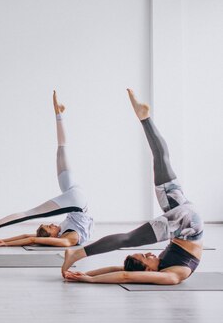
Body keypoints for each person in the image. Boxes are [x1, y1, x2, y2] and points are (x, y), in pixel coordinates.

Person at [62, 89, 203, 285]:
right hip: (186, 223)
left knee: (161, 159)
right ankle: (76, 253)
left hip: (187, 219)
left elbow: (120, 270)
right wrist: (89, 281)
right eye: (146, 257)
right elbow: (126, 276)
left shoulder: (157, 267)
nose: (150, 254)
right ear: (148, 271)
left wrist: (88, 276)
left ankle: (145, 118)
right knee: (127, 239)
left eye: (145, 255)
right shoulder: (172, 275)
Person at [0, 91, 93, 248]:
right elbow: (33, 240)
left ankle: (59, 114)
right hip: (76, 202)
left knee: (62, 148)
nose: (52, 224)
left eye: (48, 226)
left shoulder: (60, 232)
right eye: (50, 227)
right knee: (30, 213)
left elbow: (30, 236)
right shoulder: (69, 239)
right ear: (53, 237)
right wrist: (5, 245)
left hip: (75, 195)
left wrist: (4, 242)